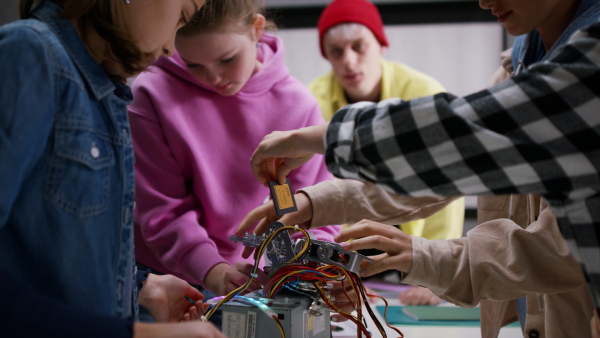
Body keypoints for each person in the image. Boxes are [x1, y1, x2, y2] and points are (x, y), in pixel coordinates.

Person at [241, 0, 600, 334]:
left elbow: (556, 249)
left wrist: (426, 258)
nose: (484, 2)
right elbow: (440, 168)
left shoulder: (586, 67)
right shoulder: (514, 71)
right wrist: (314, 203)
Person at [0, 0, 224, 337]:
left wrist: (141, 286)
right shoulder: (30, 54)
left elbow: (48, 251)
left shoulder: (105, 94)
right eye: (182, 16)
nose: (167, 48)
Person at [128, 0, 340, 302]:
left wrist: (313, 267)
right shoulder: (151, 95)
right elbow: (164, 209)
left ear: (256, 29)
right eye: (193, 65)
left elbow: (308, 206)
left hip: (246, 276)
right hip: (160, 279)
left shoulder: (297, 105)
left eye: (227, 59)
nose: (214, 77)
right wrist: (213, 270)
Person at [308, 0, 465, 305]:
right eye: (336, 51)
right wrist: (328, 267)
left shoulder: (424, 93)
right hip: (343, 237)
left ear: (380, 45)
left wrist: (434, 273)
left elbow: (445, 186)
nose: (349, 61)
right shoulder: (311, 101)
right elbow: (311, 188)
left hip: (411, 231)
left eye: (359, 46)